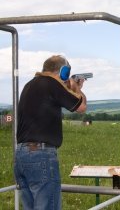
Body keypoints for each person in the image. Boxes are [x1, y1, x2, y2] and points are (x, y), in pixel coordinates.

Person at [14, 55, 87, 210]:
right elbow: (81, 107)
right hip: (41, 154)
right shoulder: (52, 84)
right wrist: (76, 88)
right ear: (63, 71)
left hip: (21, 155)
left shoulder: (29, 85)